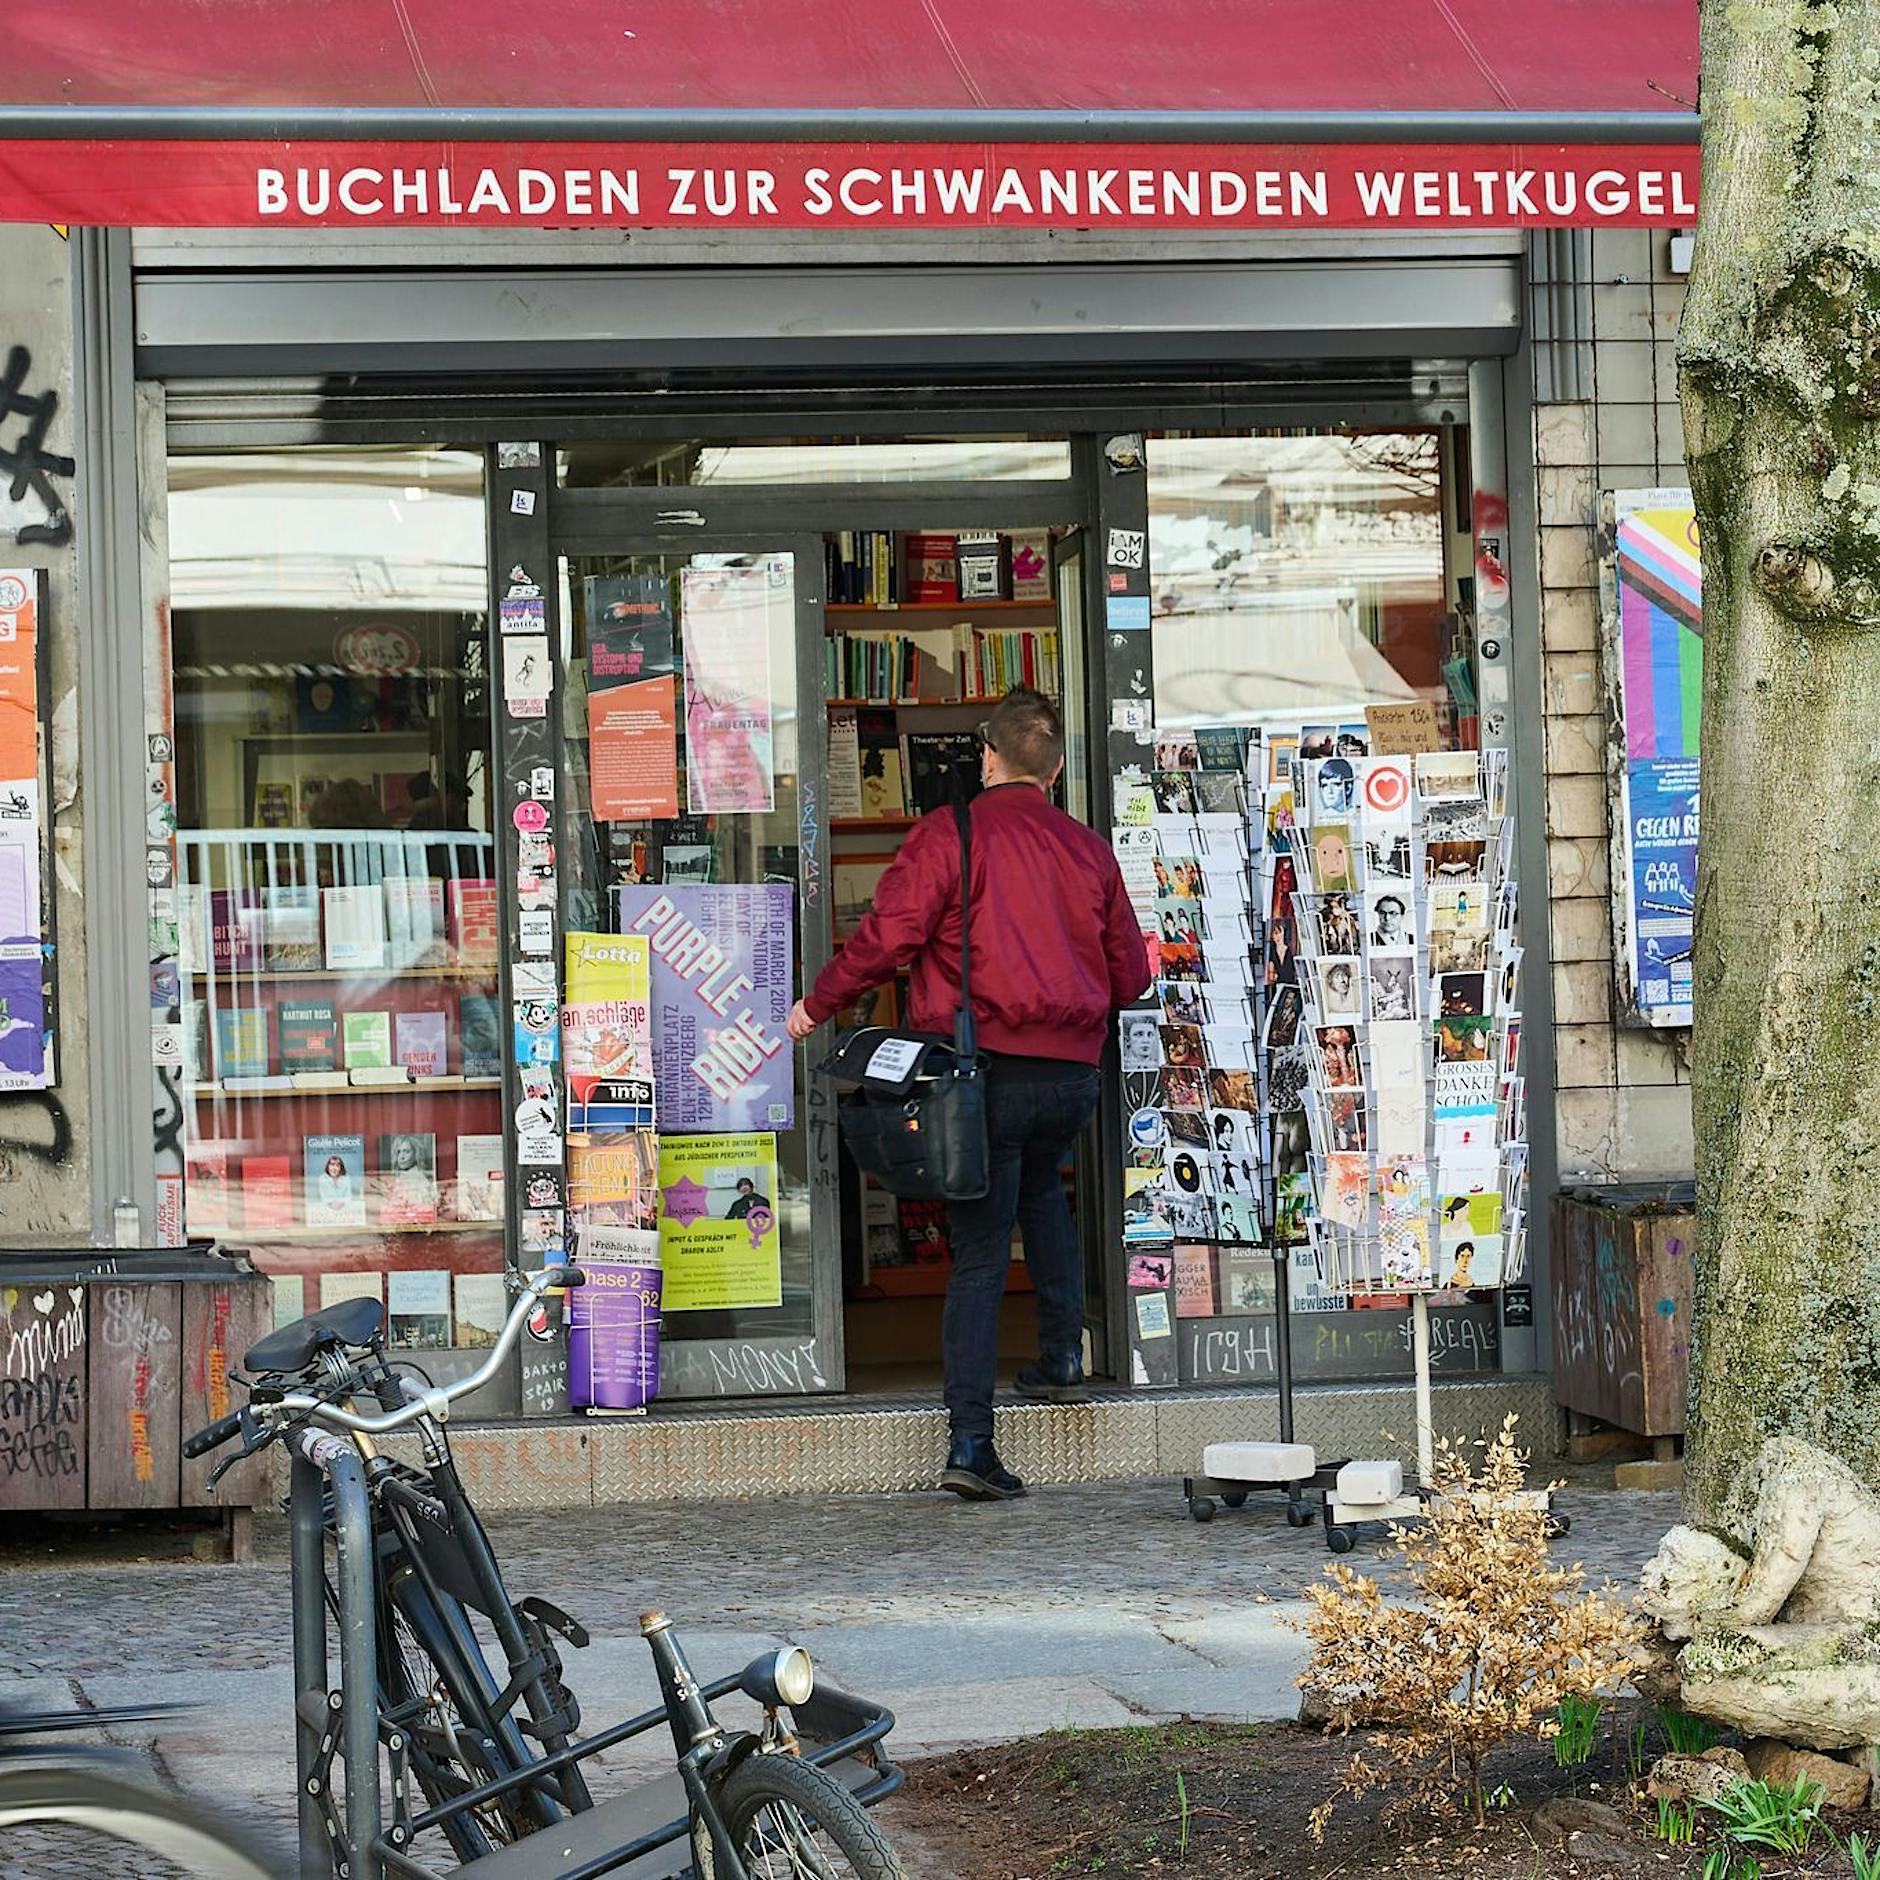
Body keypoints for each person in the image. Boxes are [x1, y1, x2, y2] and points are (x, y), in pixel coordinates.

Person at [787, 686, 1151, 1501]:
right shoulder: (1091, 850)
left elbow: (889, 937)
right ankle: (1062, 1356)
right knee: (1047, 1202)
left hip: (979, 1072)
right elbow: (1131, 975)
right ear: (1054, 770)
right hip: (1069, 1076)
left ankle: (971, 1441)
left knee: (981, 1251)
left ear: (988, 756)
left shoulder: (949, 834)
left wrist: (818, 1005)